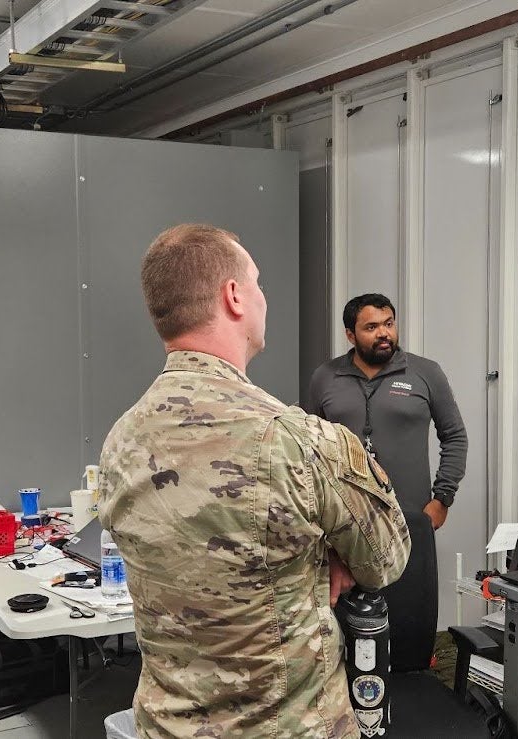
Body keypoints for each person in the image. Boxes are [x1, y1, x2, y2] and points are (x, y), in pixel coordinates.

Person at [99, 224, 412, 738]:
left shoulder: (122, 440)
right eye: (257, 283)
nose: (263, 296)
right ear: (234, 296)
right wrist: (329, 553)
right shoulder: (299, 439)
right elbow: (386, 558)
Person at [306, 293, 467, 530]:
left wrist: (442, 499)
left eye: (389, 323)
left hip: (410, 517)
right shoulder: (325, 377)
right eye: (371, 327)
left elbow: (454, 437)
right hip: (342, 520)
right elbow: (309, 446)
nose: (383, 333)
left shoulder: (426, 372)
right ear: (350, 335)